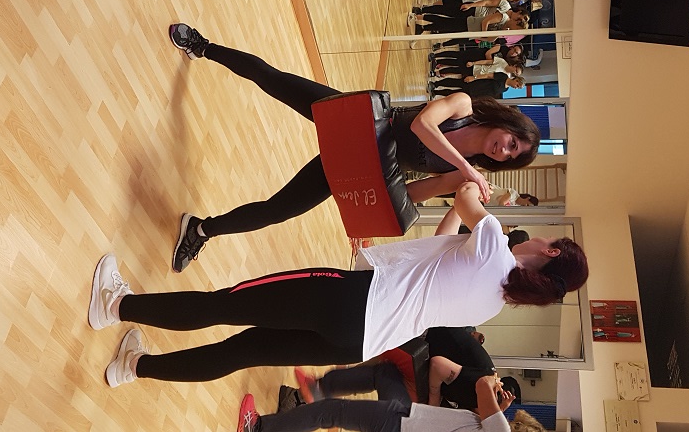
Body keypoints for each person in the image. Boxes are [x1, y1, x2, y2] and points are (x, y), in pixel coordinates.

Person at [88, 181, 589, 385]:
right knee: (241, 351)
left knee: (225, 305)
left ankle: (116, 306)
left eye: (552, 238)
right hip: (358, 342)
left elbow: (463, 198)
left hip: (350, 300)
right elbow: (444, 244)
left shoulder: (494, 242)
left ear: (551, 252)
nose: (544, 233)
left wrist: (477, 189)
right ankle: (135, 366)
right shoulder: (491, 304)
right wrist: (465, 208)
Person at [166, 23, 541, 273]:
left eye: (512, 156)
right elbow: (422, 125)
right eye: (512, 142)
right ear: (507, 125)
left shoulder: (460, 173)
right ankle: (203, 46)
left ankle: (201, 230)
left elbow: (411, 193)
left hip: (360, 164)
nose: (504, 151)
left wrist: (372, 217)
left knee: (277, 210)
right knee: (273, 79)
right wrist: (469, 169)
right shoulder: (463, 107)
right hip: (358, 122)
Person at [237, 369, 525, 432]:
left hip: (401, 424)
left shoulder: (501, 431)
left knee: (331, 412)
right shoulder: (495, 427)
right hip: (406, 419)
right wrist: (497, 410)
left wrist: (493, 380)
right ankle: (313, 392)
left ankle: (260, 428)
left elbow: (482, 384)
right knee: (385, 375)